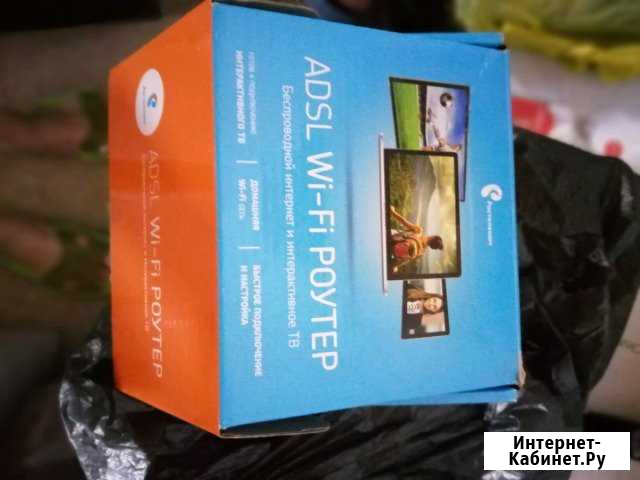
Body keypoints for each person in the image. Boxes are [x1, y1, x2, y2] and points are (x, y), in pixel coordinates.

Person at [389, 205, 443, 273]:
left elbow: (403, 221)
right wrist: (394, 266)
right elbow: (406, 259)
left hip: (391, 239)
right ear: (432, 247)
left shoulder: (419, 231)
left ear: (433, 236)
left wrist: (393, 212)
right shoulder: (421, 252)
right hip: (392, 253)